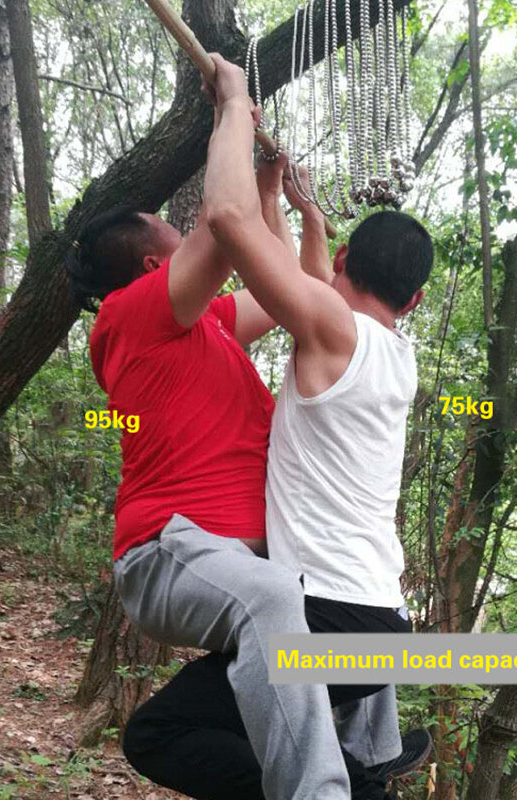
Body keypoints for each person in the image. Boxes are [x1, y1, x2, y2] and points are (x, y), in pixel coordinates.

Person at [120, 54, 434, 800]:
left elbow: (229, 226)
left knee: (161, 735)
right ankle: (366, 767)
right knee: (253, 727)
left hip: (325, 623)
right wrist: (291, 207)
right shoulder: (393, 358)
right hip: (381, 630)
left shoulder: (330, 329)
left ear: (348, 263)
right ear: (415, 303)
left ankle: (338, 788)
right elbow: (310, 287)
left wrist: (232, 106)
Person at [66, 113, 357, 798]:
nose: (184, 225)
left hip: (240, 555)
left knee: (350, 597)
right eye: (172, 226)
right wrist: (230, 105)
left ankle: (370, 759)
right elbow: (224, 229)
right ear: (151, 264)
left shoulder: (212, 327)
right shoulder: (130, 316)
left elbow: (284, 280)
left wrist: (275, 192)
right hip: (166, 551)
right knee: (272, 596)